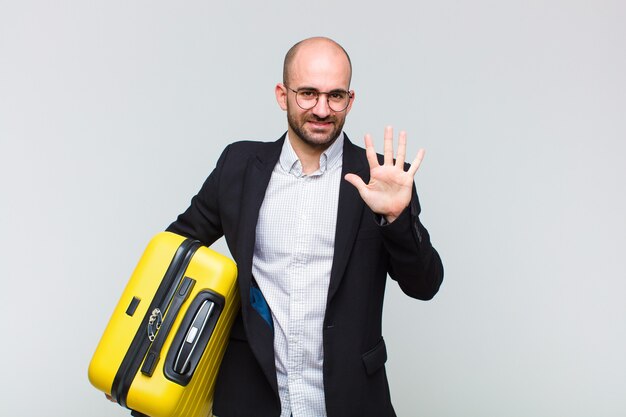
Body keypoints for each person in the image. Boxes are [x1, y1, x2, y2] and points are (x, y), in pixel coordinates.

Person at [166, 36, 444, 417]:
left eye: (335, 96)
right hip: (251, 397)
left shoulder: (381, 177)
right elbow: (172, 256)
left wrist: (396, 218)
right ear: (283, 94)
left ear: (350, 99)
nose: (322, 109)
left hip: (351, 399)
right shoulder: (239, 166)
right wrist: (134, 363)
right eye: (308, 94)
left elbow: (424, 285)